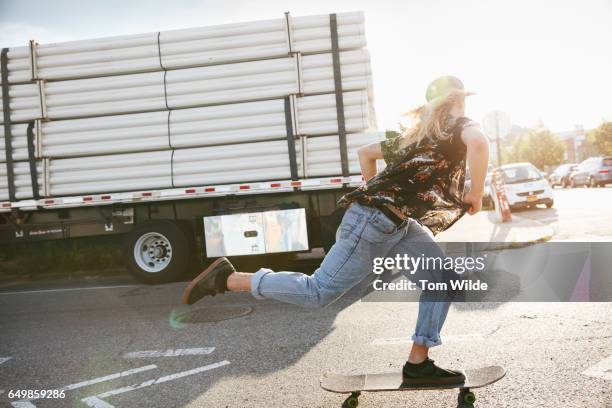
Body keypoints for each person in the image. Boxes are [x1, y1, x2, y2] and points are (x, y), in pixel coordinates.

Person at [182, 76, 489, 385]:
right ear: (459, 98)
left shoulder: (419, 135)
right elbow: (479, 142)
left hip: (399, 225)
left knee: (442, 281)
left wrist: (377, 195)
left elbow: (366, 154)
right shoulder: (458, 124)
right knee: (316, 292)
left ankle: (418, 363)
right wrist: (475, 192)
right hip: (373, 223)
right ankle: (228, 278)